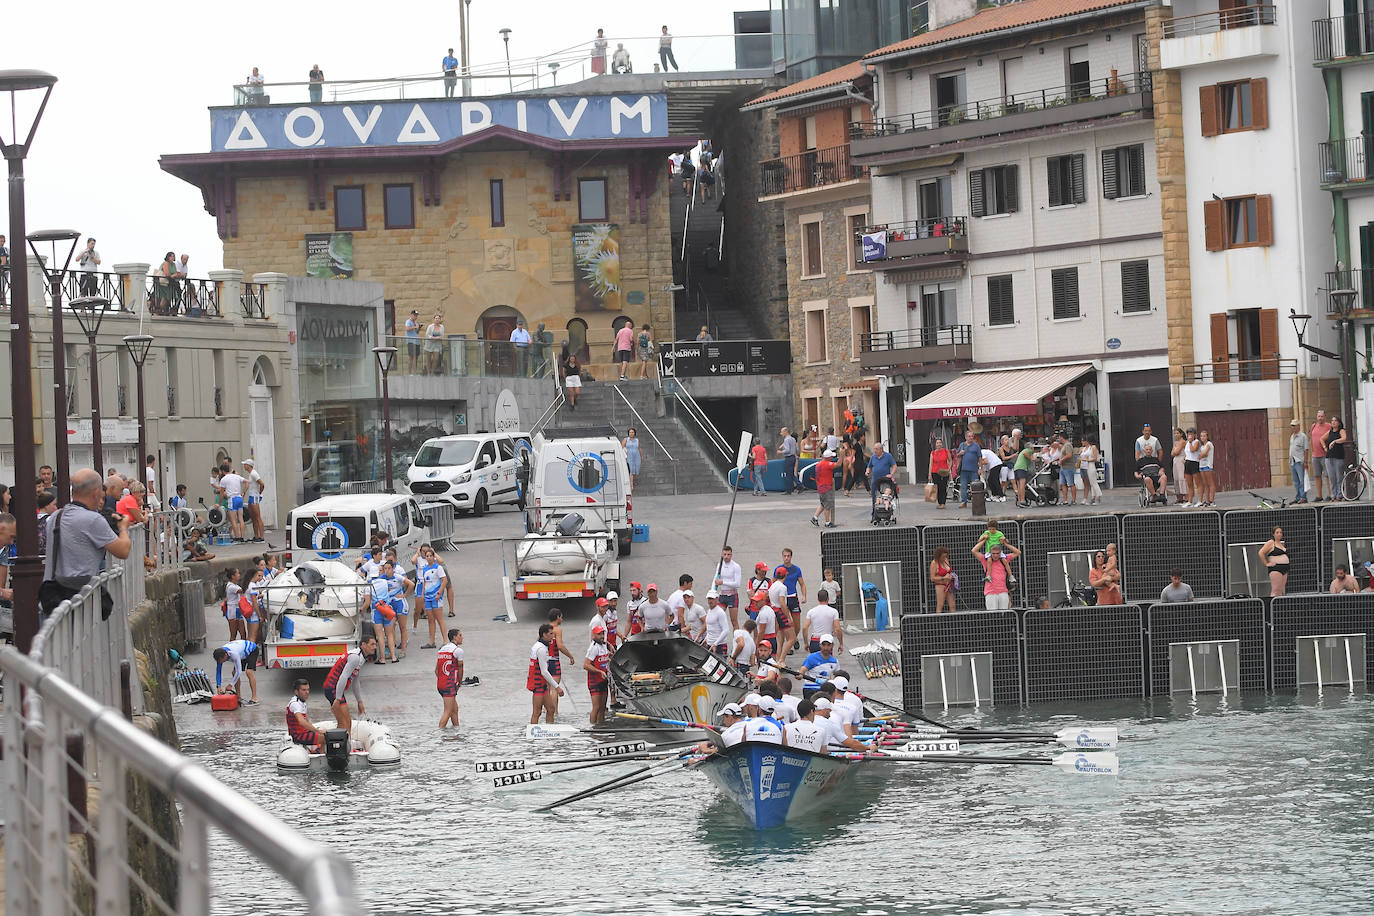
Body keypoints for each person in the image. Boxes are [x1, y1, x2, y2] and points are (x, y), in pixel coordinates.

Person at [43, 469, 132, 603]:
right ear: (96, 492)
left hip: (52, 598)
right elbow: (123, 551)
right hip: (80, 601)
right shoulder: (93, 519)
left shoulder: (56, 516)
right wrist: (123, 528)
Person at [324, 636, 375, 731]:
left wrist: (359, 701)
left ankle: (344, 743)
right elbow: (343, 677)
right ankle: (346, 743)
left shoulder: (361, 657)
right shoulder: (355, 657)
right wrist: (338, 699)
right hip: (333, 688)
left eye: (375, 644)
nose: (375, 647)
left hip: (335, 688)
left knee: (344, 722)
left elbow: (355, 680)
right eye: (372, 644)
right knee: (346, 722)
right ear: (363, 645)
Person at [528, 623, 565, 724]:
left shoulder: (540, 646)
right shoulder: (541, 649)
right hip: (538, 684)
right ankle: (533, 735)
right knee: (537, 712)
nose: (553, 636)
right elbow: (544, 672)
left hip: (543, 684)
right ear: (544, 635)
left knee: (551, 709)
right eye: (551, 634)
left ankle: (550, 731)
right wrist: (557, 687)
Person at [417, 545, 448, 648]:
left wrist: (439, 592)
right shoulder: (425, 569)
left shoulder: (438, 568)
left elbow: (444, 580)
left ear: (434, 557)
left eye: (431, 555)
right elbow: (425, 582)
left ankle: (445, 641)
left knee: (439, 619)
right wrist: (423, 595)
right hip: (427, 597)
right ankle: (431, 641)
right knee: (430, 619)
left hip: (436, 597)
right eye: (427, 556)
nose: (429, 557)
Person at [212, 639, 260, 705]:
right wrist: (218, 686)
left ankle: (254, 698)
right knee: (234, 673)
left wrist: (230, 685)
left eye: (222, 660)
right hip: (241, 653)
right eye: (219, 661)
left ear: (226, 655)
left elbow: (239, 671)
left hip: (251, 650)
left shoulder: (233, 653)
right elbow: (218, 672)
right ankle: (238, 696)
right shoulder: (220, 656)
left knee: (249, 672)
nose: (221, 662)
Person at [973, 541, 1019, 610]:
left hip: (1003, 591)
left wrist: (1005, 544)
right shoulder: (985, 560)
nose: (995, 555)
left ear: (1001, 553)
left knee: (1004, 613)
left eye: (997, 553)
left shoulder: (1004, 559)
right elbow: (974, 551)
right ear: (990, 553)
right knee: (992, 615)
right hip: (990, 592)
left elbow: (1018, 552)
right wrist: (984, 540)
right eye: (993, 553)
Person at [284, 679, 324, 752]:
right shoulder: (295, 704)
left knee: (324, 732)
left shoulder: (301, 702)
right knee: (325, 738)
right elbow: (301, 722)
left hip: (303, 732)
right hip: (298, 736)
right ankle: (322, 757)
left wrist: (316, 730)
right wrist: (318, 731)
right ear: (296, 692)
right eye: (303, 690)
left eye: (308, 690)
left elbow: (306, 721)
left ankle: (319, 751)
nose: (307, 692)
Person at [584, 625, 611, 724]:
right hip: (594, 682)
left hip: (603, 680)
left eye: (603, 633)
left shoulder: (603, 645)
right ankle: (592, 728)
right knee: (596, 707)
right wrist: (599, 672)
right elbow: (586, 665)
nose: (602, 636)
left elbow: (603, 660)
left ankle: (600, 727)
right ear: (594, 635)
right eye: (599, 634)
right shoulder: (593, 648)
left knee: (603, 708)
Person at [801, 589, 841, 653]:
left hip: (815, 640)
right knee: (827, 662)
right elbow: (838, 629)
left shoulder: (811, 611)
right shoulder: (833, 612)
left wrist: (806, 643)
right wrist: (841, 643)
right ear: (828, 598)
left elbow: (805, 628)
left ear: (818, 599)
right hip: (827, 642)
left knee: (814, 661)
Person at [714, 545, 743, 626]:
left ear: (731, 554)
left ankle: (736, 638)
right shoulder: (720, 565)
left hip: (732, 596)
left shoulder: (736, 566)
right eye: (724, 554)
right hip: (722, 595)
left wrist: (723, 582)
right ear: (722, 554)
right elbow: (715, 579)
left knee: (734, 621)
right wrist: (713, 591)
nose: (726, 557)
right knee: (717, 618)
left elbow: (737, 584)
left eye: (728, 554)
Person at [868, 442, 898, 521]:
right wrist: (867, 471)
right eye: (874, 449)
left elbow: (894, 466)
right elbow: (869, 466)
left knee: (886, 497)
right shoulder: (873, 457)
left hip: (885, 481)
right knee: (875, 498)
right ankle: (875, 515)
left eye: (876, 449)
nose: (875, 451)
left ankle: (886, 513)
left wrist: (891, 474)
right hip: (875, 481)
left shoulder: (888, 456)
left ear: (881, 449)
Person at [218, 462, 248, 541]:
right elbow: (247, 482)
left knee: (233, 520)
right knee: (241, 519)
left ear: (223, 471)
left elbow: (221, 494)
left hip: (232, 499)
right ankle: (242, 537)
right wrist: (244, 492)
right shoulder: (236, 476)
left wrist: (219, 504)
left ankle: (237, 537)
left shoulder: (224, 479)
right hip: (239, 498)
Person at [1259, 527, 1289, 598]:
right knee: (1275, 590)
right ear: (1273, 534)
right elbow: (1261, 552)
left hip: (1285, 569)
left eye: (1281, 532)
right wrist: (1266, 563)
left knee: (1280, 591)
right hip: (1276, 569)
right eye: (1277, 532)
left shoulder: (1281, 544)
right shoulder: (1271, 542)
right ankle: (1272, 607)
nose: (1279, 534)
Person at [1324, 417, 1349, 501]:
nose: (1333, 422)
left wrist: (1334, 441)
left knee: (1339, 477)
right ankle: (1333, 495)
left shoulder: (1341, 431)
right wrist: (1325, 447)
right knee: (1332, 478)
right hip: (1329, 456)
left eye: (1335, 421)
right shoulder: (1330, 432)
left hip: (1338, 457)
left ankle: (1340, 494)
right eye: (1332, 421)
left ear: (1339, 423)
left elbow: (1344, 438)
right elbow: (1321, 439)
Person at [811, 449, 838, 527]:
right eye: (831, 457)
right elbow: (838, 465)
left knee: (823, 504)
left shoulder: (819, 464)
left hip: (820, 486)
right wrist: (842, 456)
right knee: (828, 505)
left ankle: (815, 517)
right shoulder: (826, 464)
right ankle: (827, 522)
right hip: (826, 487)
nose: (832, 458)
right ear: (828, 457)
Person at [1310, 409, 1332, 502]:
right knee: (1317, 475)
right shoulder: (1313, 426)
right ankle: (1319, 495)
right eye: (1318, 416)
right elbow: (1311, 439)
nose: (1320, 418)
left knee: (1327, 475)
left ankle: (1330, 494)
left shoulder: (1329, 426)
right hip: (1315, 455)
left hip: (1325, 455)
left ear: (1325, 417)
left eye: (1322, 416)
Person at [956, 430, 982, 509]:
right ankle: (964, 502)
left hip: (974, 469)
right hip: (964, 470)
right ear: (966, 437)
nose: (971, 438)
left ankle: (976, 501)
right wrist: (960, 453)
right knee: (963, 486)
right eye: (969, 436)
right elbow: (957, 456)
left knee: (975, 486)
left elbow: (980, 457)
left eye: (972, 436)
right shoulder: (962, 445)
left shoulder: (976, 445)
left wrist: (980, 468)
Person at [243, 458, 266, 542]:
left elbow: (262, 483)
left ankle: (262, 537)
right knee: (253, 517)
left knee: (257, 517)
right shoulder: (251, 474)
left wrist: (259, 492)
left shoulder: (254, 473)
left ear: (249, 465)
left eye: (245, 464)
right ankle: (256, 536)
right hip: (251, 496)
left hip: (254, 496)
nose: (244, 466)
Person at [929, 546, 956, 613]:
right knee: (940, 605)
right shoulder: (934, 563)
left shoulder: (946, 560)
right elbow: (932, 578)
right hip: (940, 585)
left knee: (952, 605)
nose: (944, 558)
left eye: (945, 556)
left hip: (949, 585)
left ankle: (954, 620)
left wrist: (951, 576)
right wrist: (944, 578)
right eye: (943, 557)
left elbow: (949, 571)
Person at [1289, 420, 1309, 504]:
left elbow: (1306, 450)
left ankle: (1303, 497)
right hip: (1292, 461)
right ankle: (1298, 497)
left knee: (1302, 480)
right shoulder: (1292, 436)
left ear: (1298, 426)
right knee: (1296, 481)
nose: (1293, 427)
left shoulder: (1303, 436)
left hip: (1299, 461)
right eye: (1292, 426)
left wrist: (1305, 462)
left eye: (1294, 425)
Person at [1080, 436, 1103, 505]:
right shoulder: (1085, 448)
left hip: (1091, 465)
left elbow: (1095, 458)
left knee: (1093, 482)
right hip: (1086, 466)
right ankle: (1094, 497)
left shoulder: (1093, 447)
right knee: (1091, 482)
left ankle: (1098, 495)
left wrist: (1086, 459)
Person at [778, 427, 800, 494]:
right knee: (791, 474)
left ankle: (790, 489)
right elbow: (797, 449)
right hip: (793, 457)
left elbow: (787, 450)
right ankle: (796, 487)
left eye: (782, 432)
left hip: (788, 457)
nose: (781, 433)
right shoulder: (793, 439)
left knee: (788, 474)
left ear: (786, 432)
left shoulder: (786, 440)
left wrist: (781, 452)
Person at [1058, 437, 1080, 506]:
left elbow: (1069, 455)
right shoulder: (1064, 445)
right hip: (1063, 467)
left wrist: (1061, 460)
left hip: (1068, 467)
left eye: (1060, 437)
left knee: (1071, 483)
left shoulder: (1068, 445)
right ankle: (1065, 500)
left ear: (1062, 437)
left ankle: (1073, 500)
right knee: (1063, 484)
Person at [1197, 429, 1216, 507]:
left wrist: (1200, 455)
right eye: (1201, 436)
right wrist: (1200, 455)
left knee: (1210, 483)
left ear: (1207, 437)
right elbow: (1200, 455)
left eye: (1204, 436)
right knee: (1205, 484)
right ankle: (1207, 500)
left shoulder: (1209, 444)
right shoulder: (1202, 446)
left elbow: (1204, 454)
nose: (1202, 437)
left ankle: (1212, 500)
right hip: (1202, 465)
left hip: (1208, 465)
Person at [1183, 429, 1201, 507]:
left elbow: (1193, 450)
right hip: (1188, 463)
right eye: (1189, 434)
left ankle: (1199, 500)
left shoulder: (1196, 442)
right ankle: (1190, 501)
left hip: (1194, 463)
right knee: (1189, 484)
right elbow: (1187, 453)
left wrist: (1190, 442)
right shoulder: (1187, 443)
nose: (1190, 436)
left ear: (1194, 435)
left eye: (1191, 434)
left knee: (1198, 483)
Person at [623, 427, 641, 495]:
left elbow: (639, 448)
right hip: (629, 456)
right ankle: (631, 485)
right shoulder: (626, 439)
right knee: (630, 470)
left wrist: (641, 456)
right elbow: (623, 447)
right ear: (628, 433)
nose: (631, 433)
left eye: (632, 432)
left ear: (634, 433)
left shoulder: (637, 440)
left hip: (636, 456)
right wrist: (624, 457)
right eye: (630, 432)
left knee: (635, 470)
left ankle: (632, 482)